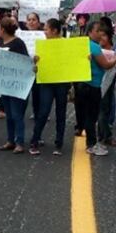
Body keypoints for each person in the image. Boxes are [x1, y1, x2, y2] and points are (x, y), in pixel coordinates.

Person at [78, 19, 116, 157]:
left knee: (88, 115)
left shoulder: (83, 44)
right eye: (97, 30)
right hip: (92, 85)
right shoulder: (94, 47)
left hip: (83, 84)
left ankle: (91, 143)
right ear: (90, 31)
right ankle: (91, 144)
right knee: (92, 117)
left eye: (101, 31)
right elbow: (105, 65)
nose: (100, 34)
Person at [29, 18, 69, 156]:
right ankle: (35, 140)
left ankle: (59, 143)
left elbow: (74, 61)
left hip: (62, 83)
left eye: (46, 29)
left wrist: (84, 57)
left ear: (55, 30)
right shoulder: (42, 46)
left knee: (61, 112)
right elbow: (36, 65)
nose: (44, 32)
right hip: (46, 81)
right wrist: (35, 64)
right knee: (43, 111)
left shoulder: (67, 44)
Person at [0, 17, 31, 153]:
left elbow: (25, 61)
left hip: (17, 83)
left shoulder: (18, 43)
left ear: (2, 29)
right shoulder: (0, 43)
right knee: (9, 114)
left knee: (17, 114)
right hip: (5, 84)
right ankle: (10, 140)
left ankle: (19, 142)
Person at [96, 20, 116, 148]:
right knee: (103, 109)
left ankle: (104, 134)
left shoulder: (114, 49)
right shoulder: (96, 49)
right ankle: (105, 136)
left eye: (104, 35)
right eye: (99, 35)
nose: (101, 38)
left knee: (107, 107)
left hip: (111, 81)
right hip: (99, 83)